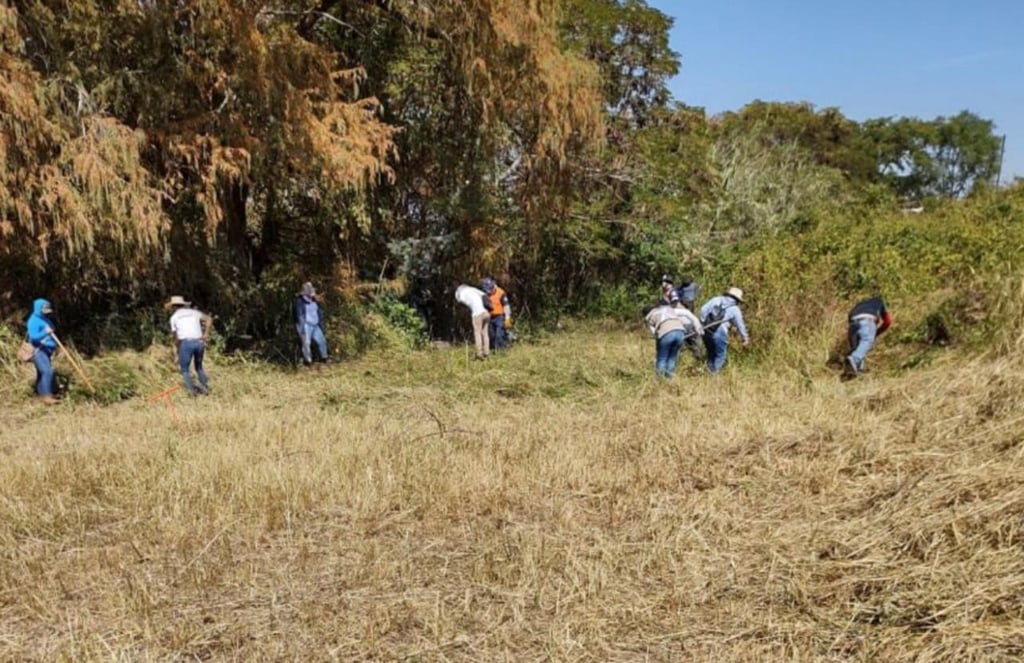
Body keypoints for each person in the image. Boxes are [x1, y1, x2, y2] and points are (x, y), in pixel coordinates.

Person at [645, 291, 703, 378]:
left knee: (662, 358)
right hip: (680, 332)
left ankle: (660, 379)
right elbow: (686, 313)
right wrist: (697, 325)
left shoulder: (650, 318)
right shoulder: (669, 310)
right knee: (672, 358)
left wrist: (659, 345)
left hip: (666, 333)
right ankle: (669, 378)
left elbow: (655, 334)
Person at [167, 295, 212, 396]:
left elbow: (176, 337)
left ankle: (192, 391)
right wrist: (206, 334)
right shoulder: (194, 312)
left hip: (186, 343)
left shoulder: (173, 318)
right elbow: (209, 319)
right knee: (199, 367)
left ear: (173, 307)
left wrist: (177, 349)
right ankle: (205, 388)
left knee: (184, 369)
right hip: (199, 342)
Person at [699, 287, 750, 374]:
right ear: (737, 299)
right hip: (720, 331)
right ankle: (713, 374)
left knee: (710, 353)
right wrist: (745, 338)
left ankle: (709, 372)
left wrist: (703, 323)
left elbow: (703, 310)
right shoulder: (735, 309)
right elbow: (740, 325)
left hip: (706, 330)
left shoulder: (716, 299)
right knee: (721, 354)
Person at [845, 296, 892, 377]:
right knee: (866, 341)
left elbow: (849, 316)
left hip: (852, 324)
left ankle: (858, 370)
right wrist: (876, 333)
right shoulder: (880, 300)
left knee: (857, 348)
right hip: (867, 321)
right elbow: (888, 321)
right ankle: (854, 359)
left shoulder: (860, 304)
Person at [26, 298, 59, 404]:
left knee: (41, 373)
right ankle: (46, 396)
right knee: (47, 371)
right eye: (44, 311)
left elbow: (51, 330)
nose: (46, 313)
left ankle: (40, 394)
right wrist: (45, 332)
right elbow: (33, 337)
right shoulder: (33, 321)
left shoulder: (45, 318)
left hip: (47, 350)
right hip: (38, 350)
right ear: (38, 309)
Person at [293, 281, 329, 367]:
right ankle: (308, 362)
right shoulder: (299, 302)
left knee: (322, 341)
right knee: (306, 343)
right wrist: (300, 329)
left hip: (315, 325)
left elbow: (320, 313)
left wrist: (322, 325)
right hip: (306, 325)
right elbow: (299, 316)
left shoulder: (314, 301)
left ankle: (324, 358)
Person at [455, 283, 491, 360]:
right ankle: (486, 352)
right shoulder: (473, 289)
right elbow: (484, 295)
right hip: (486, 313)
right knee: (485, 333)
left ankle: (479, 354)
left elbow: (459, 301)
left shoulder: (461, 294)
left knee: (477, 333)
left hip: (477, 313)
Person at [481, 276, 512, 351]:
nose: (489, 292)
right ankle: (492, 349)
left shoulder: (501, 293)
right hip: (489, 317)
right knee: (491, 335)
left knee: (499, 334)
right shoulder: (484, 294)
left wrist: (507, 318)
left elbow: (506, 306)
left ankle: (500, 351)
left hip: (499, 317)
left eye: (490, 290)